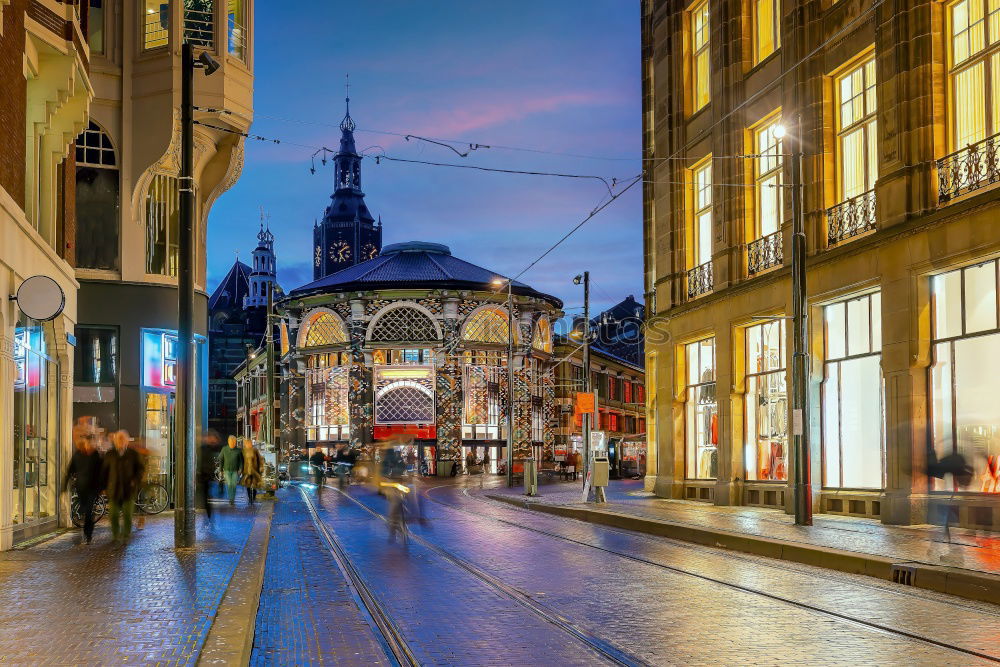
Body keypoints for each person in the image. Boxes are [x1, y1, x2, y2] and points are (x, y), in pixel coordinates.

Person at [63, 427, 104, 544]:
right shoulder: (77, 455)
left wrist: (101, 488)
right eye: (87, 442)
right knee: (84, 509)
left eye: (90, 442)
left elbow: (101, 473)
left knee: (88, 511)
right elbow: (70, 470)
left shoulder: (96, 456)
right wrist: (64, 485)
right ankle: (88, 530)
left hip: (92, 488)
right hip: (81, 488)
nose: (88, 444)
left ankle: (88, 535)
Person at [104, 430, 144, 543]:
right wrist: (103, 486)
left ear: (127, 441)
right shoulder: (110, 454)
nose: (121, 441)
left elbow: (140, 469)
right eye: (118, 439)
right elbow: (104, 471)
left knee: (127, 514)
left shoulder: (133, 454)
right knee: (113, 515)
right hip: (114, 489)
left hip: (128, 490)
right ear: (115, 441)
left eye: (123, 439)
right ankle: (116, 535)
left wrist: (135, 480)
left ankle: (126, 534)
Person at [198, 430, 221, 523]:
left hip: (207, 475)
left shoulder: (211, 448)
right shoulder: (204, 448)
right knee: (205, 495)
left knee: (206, 495)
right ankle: (208, 514)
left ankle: (209, 514)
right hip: (204, 475)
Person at [218, 435, 244, 506]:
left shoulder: (238, 451)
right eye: (231, 442)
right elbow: (221, 460)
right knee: (229, 484)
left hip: (235, 471)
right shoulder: (224, 449)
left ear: (235, 442)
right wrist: (221, 470)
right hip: (227, 470)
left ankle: (232, 498)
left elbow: (241, 461)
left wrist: (240, 469)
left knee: (234, 485)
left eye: (234, 442)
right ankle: (231, 499)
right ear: (228, 442)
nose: (233, 443)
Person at [242, 439, 264, 505]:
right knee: (248, 485)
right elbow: (241, 460)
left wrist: (260, 466)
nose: (248, 445)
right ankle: (250, 498)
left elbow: (260, 459)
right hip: (247, 470)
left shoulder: (255, 450)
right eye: (247, 443)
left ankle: (253, 497)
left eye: (249, 443)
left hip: (254, 470)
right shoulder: (243, 451)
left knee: (254, 485)